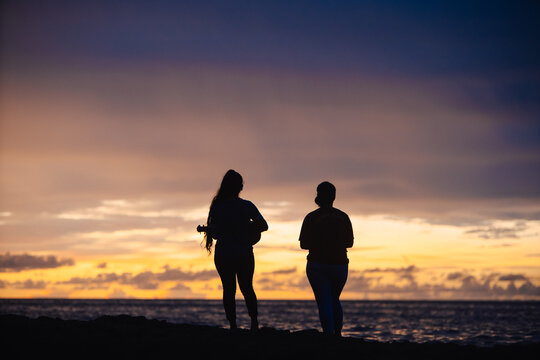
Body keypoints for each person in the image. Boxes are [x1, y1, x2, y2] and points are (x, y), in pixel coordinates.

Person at [203, 169, 268, 331]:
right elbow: (264, 226)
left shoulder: (217, 206)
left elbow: (216, 234)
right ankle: (254, 324)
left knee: (228, 289)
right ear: (241, 187)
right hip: (244, 252)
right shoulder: (247, 206)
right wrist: (248, 228)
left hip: (224, 253)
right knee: (247, 288)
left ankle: (233, 326)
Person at [299, 181, 354, 336]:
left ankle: (329, 335)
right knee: (334, 299)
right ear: (334, 196)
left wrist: (319, 243)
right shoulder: (343, 217)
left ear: (318, 195)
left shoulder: (311, 217)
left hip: (317, 264)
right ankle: (337, 334)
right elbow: (349, 243)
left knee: (324, 301)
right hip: (340, 265)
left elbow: (303, 244)